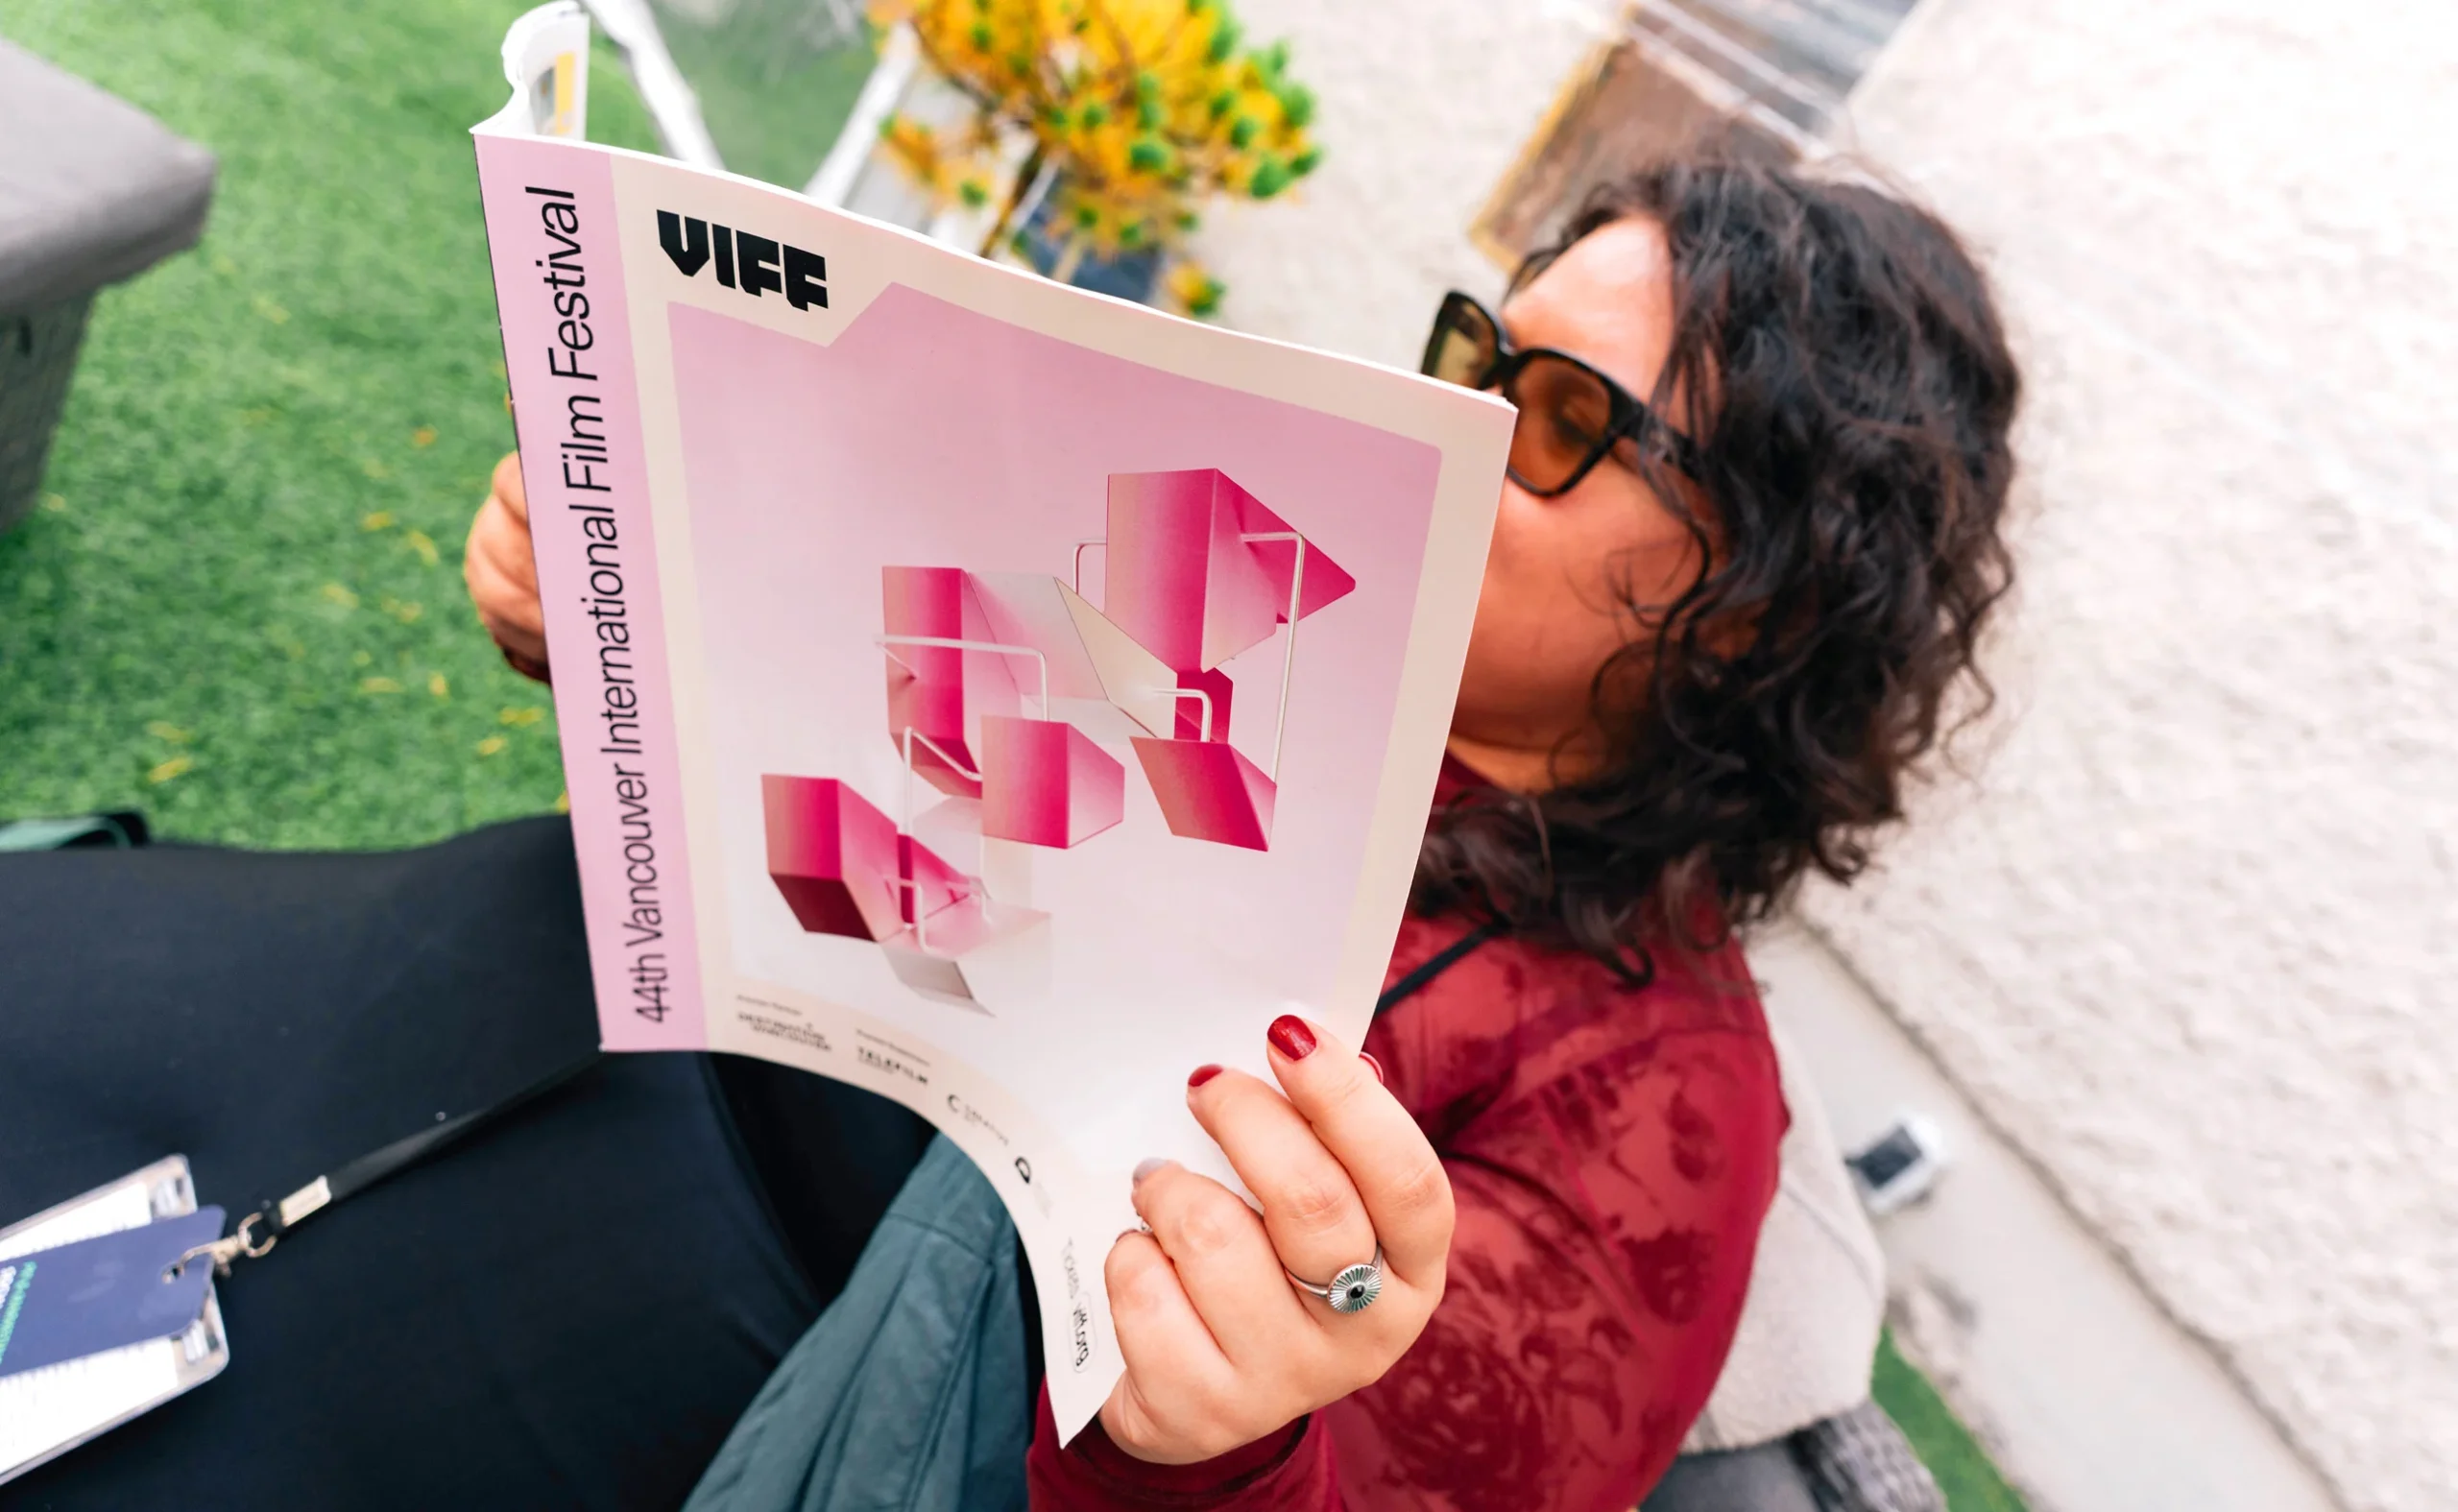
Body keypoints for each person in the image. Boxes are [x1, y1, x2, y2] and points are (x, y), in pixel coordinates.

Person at [4, 152, 2013, 1511]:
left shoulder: (1649, 1101)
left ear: (1755, 595)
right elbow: (845, 807)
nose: (1472, 423)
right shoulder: (1239, 578)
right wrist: (615, 614)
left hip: (642, 1328)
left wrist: (1214, 1428)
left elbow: (1357, 1468)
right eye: (1477, 355)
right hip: (467, 990)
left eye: (1564, 423)